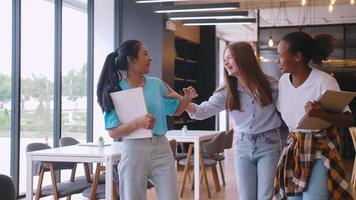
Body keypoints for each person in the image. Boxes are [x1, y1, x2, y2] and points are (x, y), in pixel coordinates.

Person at [173, 42, 282, 200]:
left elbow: (287, 113)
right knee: (246, 196)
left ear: (244, 58)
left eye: (229, 57)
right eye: (224, 59)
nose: (225, 62)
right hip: (243, 145)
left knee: (265, 196)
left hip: (269, 144)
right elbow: (203, 111)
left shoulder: (272, 85)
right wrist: (184, 101)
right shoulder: (227, 90)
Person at [96, 40, 197, 200]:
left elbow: (176, 110)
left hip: (162, 148)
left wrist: (186, 98)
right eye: (145, 54)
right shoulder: (116, 90)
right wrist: (138, 123)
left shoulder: (156, 84)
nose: (150, 58)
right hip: (134, 151)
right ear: (131, 59)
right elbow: (113, 132)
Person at [273, 31, 353, 200]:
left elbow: (348, 119)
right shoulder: (283, 81)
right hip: (294, 149)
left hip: (318, 150)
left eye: (280, 55)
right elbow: (285, 113)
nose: (277, 60)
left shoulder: (324, 82)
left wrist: (321, 114)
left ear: (297, 57)